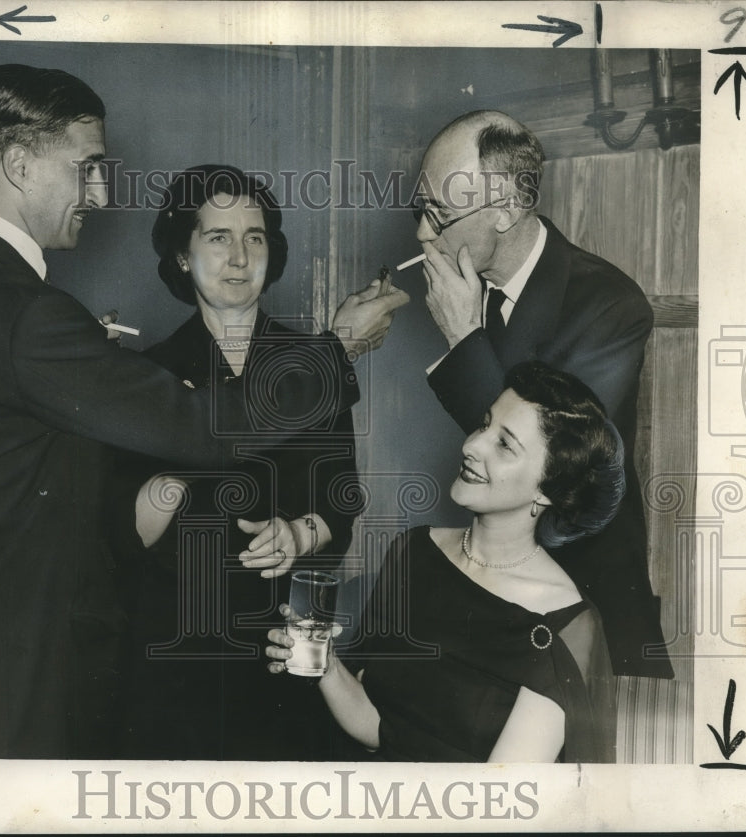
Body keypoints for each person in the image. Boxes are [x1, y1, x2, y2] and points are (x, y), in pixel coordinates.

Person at [0, 64, 408, 758]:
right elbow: (200, 430)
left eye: (255, 238)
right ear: (17, 163)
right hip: (16, 668)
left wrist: (299, 529)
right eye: (87, 167)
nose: (98, 192)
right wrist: (336, 349)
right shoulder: (28, 313)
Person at [108, 164, 360, 759]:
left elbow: (342, 502)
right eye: (218, 237)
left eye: (255, 237)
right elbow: (117, 531)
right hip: (170, 648)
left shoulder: (315, 362)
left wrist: (298, 534)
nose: (240, 257)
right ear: (180, 255)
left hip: (280, 642)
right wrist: (167, 487)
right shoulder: (144, 374)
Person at [414, 110, 671, 678]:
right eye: (420, 209)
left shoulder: (609, 305)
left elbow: (548, 462)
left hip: (581, 602)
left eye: (438, 214)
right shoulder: (467, 283)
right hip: (487, 581)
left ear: (506, 206)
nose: (422, 234)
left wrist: (462, 338)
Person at [267, 361, 620, 762]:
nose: (472, 445)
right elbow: (377, 729)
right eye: (484, 424)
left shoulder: (564, 623)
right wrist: (325, 662)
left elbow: (506, 801)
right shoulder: (415, 552)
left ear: (549, 489)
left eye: (504, 444)